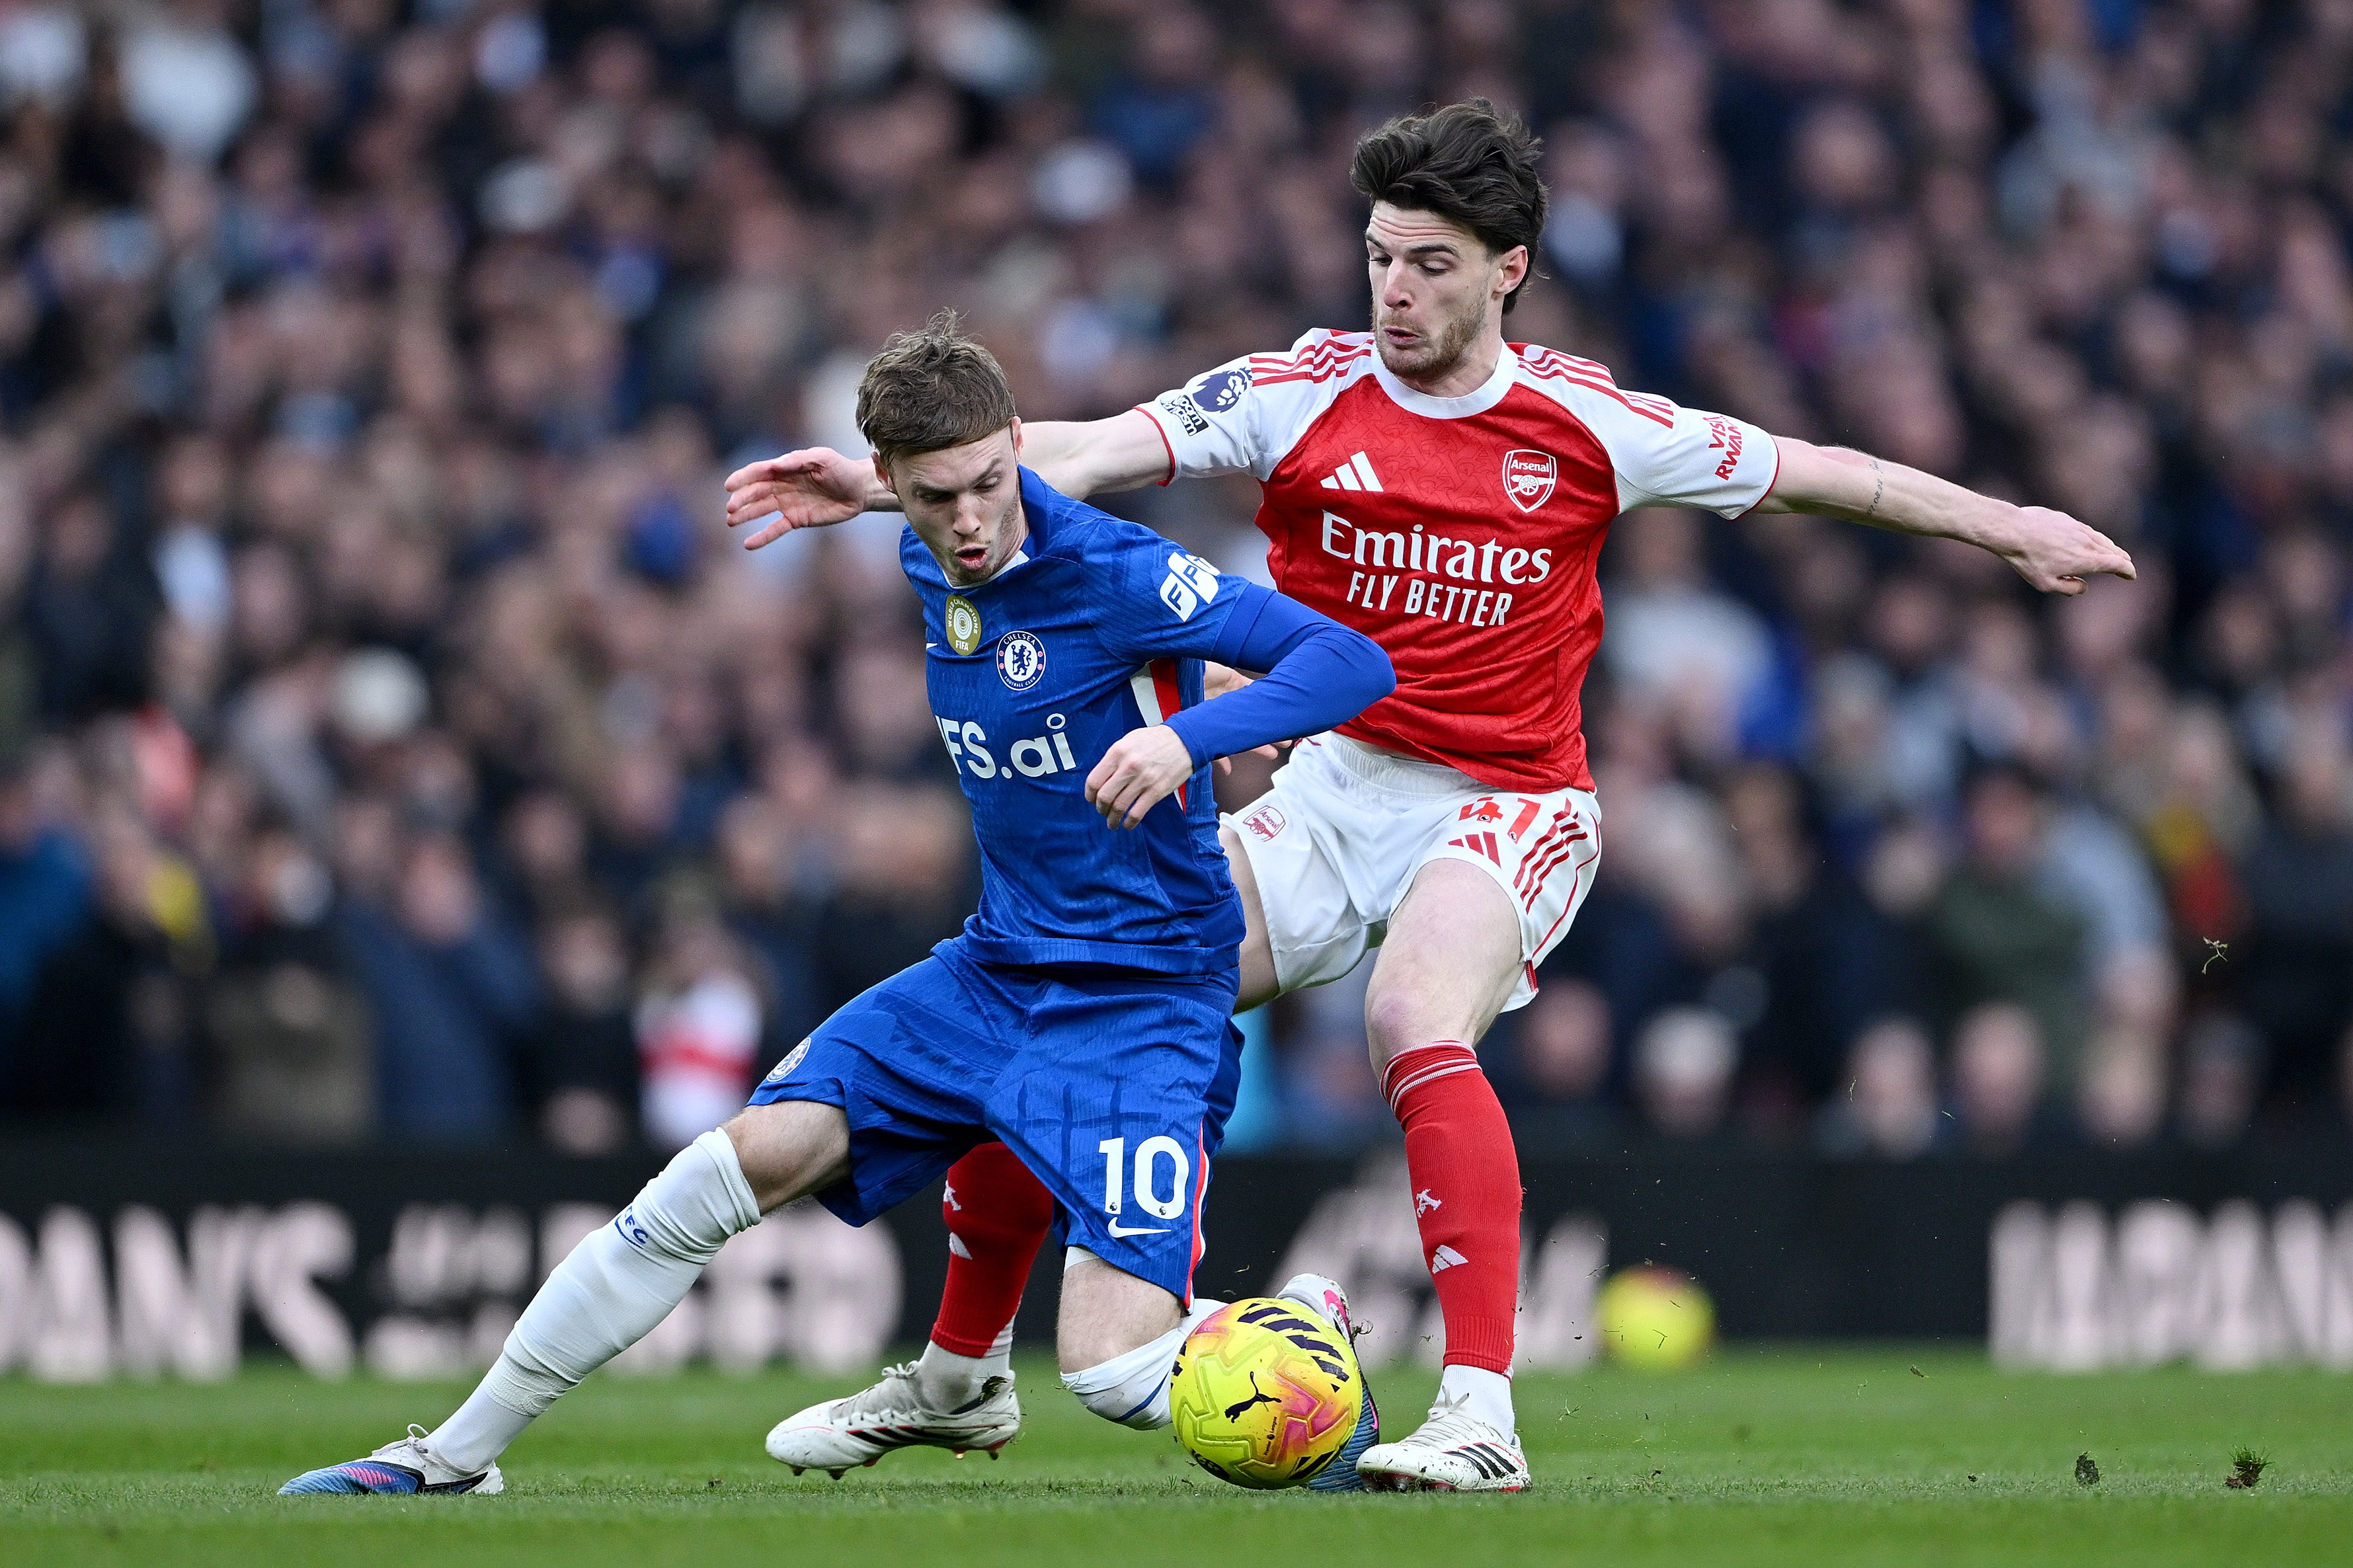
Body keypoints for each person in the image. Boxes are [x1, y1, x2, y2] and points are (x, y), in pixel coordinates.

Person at [724, 101, 2135, 1492]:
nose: (1395, 291)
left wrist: (2005, 526)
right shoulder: (1297, 388)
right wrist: (875, 488)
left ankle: (1478, 1411)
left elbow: (1810, 475)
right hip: (1336, 788)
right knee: (1077, 991)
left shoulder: (1583, 421)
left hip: (1510, 798)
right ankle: (959, 1376)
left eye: (1431, 263)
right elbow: (1079, 447)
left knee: (1410, 1011)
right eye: (1381, 256)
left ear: (1508, 266)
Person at [279, 317, 1394, 1495]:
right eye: (930, 498)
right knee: (724, 1167)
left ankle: (1307, 1331)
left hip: (1142, 995)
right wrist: (862, 493)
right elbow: (933, 491)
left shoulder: (1119, 574)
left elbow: (1348, 664)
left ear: (1020, 448)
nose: (967, 523)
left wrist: (1185, 737)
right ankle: (453, 1459)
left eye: (985, 486)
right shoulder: (924, 546)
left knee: (1115, 1380)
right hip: (997, 967)